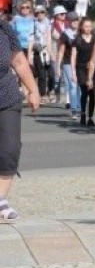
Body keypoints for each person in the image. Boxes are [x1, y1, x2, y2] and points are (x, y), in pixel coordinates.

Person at [0, 16, 41, 222]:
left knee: (10, 149)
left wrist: (33, 90)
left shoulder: (5, 29)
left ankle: (0, 200)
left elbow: (18, 60)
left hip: (6, 96)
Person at [70, 17, 95, 126]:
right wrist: (73, 73)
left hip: (92, 67)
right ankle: (82, 114)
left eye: (90, 26)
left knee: (93, 93)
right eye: (86, 26)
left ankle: (90, 117)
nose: (88, 28)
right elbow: (73, 57)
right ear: (82, 27)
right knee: (84, 91)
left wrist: (93, 72)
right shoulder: (77, 40)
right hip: (81, 67)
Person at [56, 12, 81, 119]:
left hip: (80, 62)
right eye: (72, 20)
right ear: (68, 21)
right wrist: (58, 66)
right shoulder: (65, 34)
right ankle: (74, 109)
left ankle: (80, 108)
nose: (75, 22)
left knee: (80, 86)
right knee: (73, 85)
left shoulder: (82, 32)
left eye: (76, 20)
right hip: (67, 62)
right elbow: (61, 51)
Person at [29, 5, 55, 104]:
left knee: (52, 74)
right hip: (37, 51)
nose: (40, 14)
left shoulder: (48, 23)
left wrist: (50, 52)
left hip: (46, 50)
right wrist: (29, 56)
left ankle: (51, 90)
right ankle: (42, 94)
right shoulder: (33, 24)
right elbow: (31, 40)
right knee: (42, 75)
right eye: (38, 13)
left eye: (42, 12)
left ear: (45, 13)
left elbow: (48, 38)